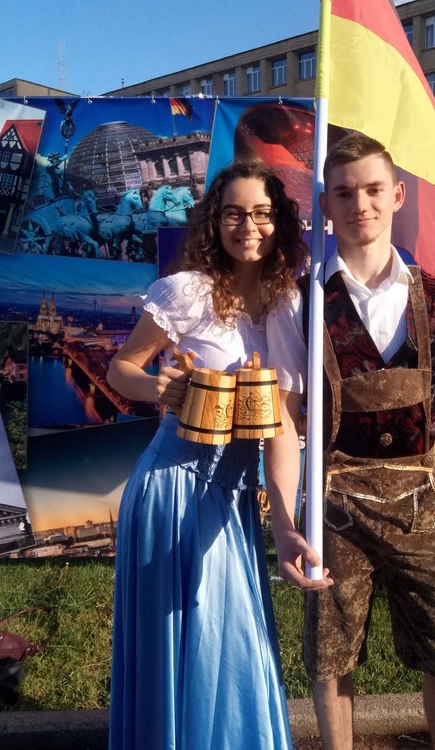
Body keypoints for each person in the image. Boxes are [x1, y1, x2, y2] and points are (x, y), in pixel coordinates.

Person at [264, 134, 435, 750]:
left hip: (424, 510)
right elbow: (286, 420)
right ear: (327, 204)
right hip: (335, 512)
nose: (361, 205)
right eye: (345, 193)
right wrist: (286, 523)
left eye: (374, 189)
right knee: (331, 662)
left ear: (397, 195)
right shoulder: (301, 303)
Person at [107, 162, 310, 750]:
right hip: (173, 487)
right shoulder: (188, 291)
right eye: (234, 214)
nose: (249, 226)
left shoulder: (288, 305)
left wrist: (286, 527)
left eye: (262, 214)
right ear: (215, 222)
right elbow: (121, 368)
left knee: (231, 641)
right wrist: (158, 388)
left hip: (234, 498)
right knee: (186, 642)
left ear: (280, 221)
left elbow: (282, 425)